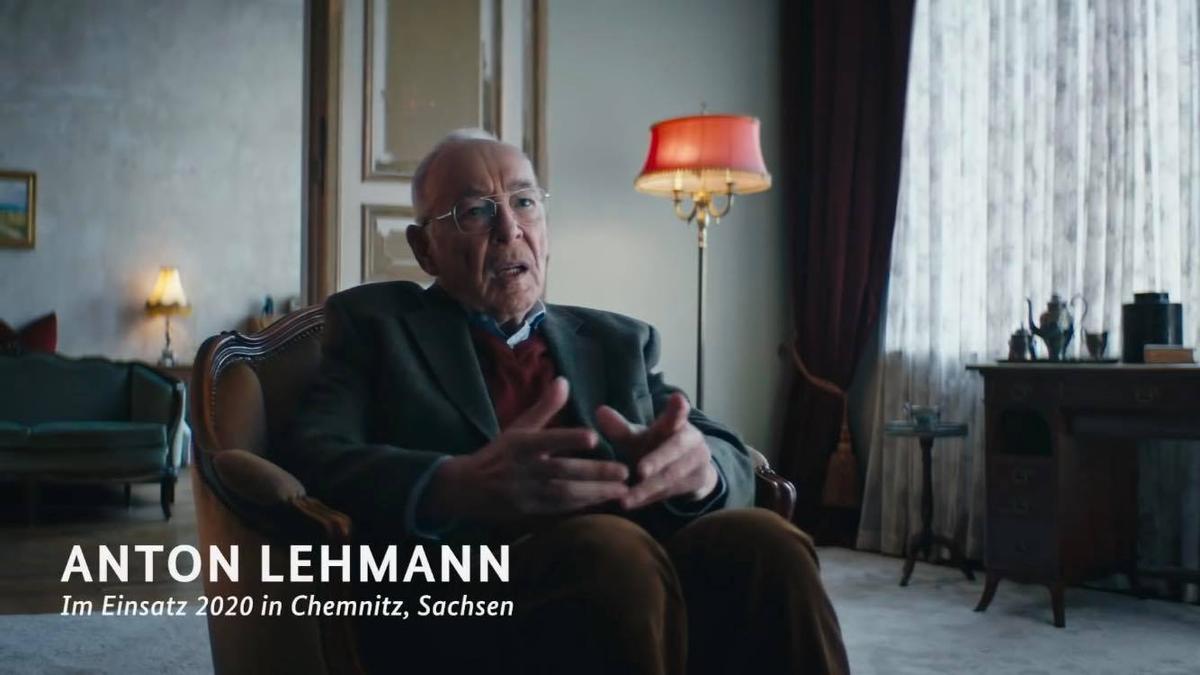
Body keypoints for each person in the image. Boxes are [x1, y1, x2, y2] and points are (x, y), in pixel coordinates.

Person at [289, 129, 850, 675]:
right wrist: (455, 483)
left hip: (634, 569)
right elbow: (313, 456)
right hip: (475, 590)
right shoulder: (376, 328)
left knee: (769, 543)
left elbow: (718, 444)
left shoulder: (614, 340)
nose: (509, 228)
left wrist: (702, 471)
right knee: (610, 549)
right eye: (476, 211)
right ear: (424, 248)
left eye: (524, 202)